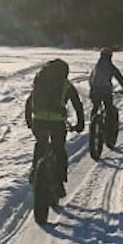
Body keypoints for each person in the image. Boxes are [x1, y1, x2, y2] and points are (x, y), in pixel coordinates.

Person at [25, 58, 84, 198]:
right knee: (59, 149)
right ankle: (59, 183)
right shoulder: (66, 85)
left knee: (41, 143)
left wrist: (29, 121)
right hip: (57, 123)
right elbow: (77, 104)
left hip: (38, 120)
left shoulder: (40, 82)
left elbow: (29, 101)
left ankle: (35, 171)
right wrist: (80, 123)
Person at [89, 48, 123, 117]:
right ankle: (109, 125)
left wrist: (92, 88)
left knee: (95, 107)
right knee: (109, 108)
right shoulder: (111, 67)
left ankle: (92, 123)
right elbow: (119, 78)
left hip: (94, 91)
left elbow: (91, 79)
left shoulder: (96, 66)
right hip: (106, 91)